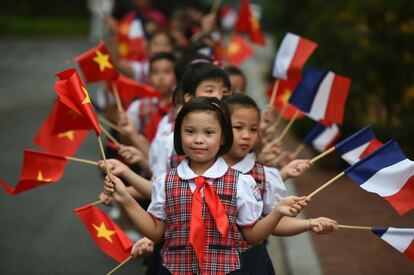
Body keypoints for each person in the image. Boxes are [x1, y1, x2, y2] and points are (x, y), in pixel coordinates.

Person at [104, 97, 310, 274]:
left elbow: (253, 236)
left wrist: (277, 214)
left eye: (209, 132)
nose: (199, 140)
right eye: (190, 131)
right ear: (178, 135)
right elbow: (157, 233)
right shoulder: (166, 182)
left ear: (223, 138)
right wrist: (125, 198)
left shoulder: (241, 182)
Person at [222, 93, 338, 273]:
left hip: (249, 263)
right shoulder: (200, 169)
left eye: (253, 129)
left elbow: (275, 222)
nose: (246, 135)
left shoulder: (265, 175)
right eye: (238, 127)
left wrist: (309, 223)